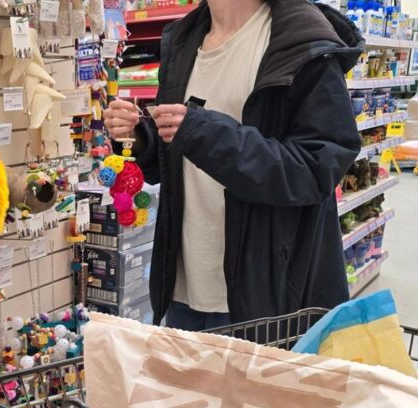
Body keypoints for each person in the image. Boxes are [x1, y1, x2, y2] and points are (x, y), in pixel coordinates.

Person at [103, 0, 363, 331]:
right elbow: (178, 160)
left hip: (265, 296)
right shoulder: (183, 39)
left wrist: (204, 134)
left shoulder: (302, 39)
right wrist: (141, 137)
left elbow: (316, 168)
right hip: (183, 286)